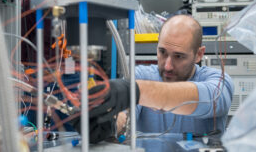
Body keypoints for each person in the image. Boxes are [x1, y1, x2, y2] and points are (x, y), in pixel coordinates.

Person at [71, 14, 234, 143]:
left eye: (178, 56)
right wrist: (110, 124)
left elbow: (209, 98)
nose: (168, 66)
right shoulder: (142, 75)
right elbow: (125, 115)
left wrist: (136, 91)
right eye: (162, 52)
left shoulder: (219, 81)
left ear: (199, 54)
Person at [21, 0, 88, 130]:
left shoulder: (86, 0)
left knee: (72, 135)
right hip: (39, 78)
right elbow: (22, 41)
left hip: (73, 78)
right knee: (34, 135)